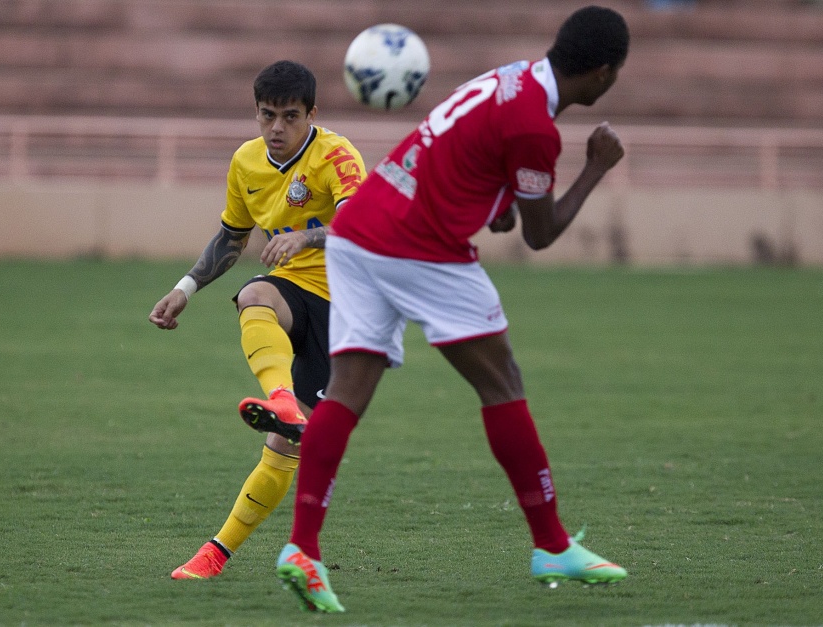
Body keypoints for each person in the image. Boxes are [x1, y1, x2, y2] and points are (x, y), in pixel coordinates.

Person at [242, 5, 631, 613]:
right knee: (503, 382)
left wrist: (497, 199)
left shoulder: (509, 79)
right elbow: (540, 233)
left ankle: (303, 549)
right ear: (604, 73)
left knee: (346, 393)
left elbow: (482, 178)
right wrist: (596, 168)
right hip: (418, 245)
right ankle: (552, 545)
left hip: (358, 230)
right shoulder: (537, 127)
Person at [148, 60, 366, 580]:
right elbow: (231, 236)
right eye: (267, 115)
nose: (276, 128)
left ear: (312, 114)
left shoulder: (335, 154)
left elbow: (365, 223)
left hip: (350, 305)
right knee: (256, 294)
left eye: (290, 116)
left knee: (283, 452)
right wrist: (186, 288)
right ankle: (282, 402)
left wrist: (307, 237)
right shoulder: (247, 162)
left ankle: (221, 548)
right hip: (293, 290)